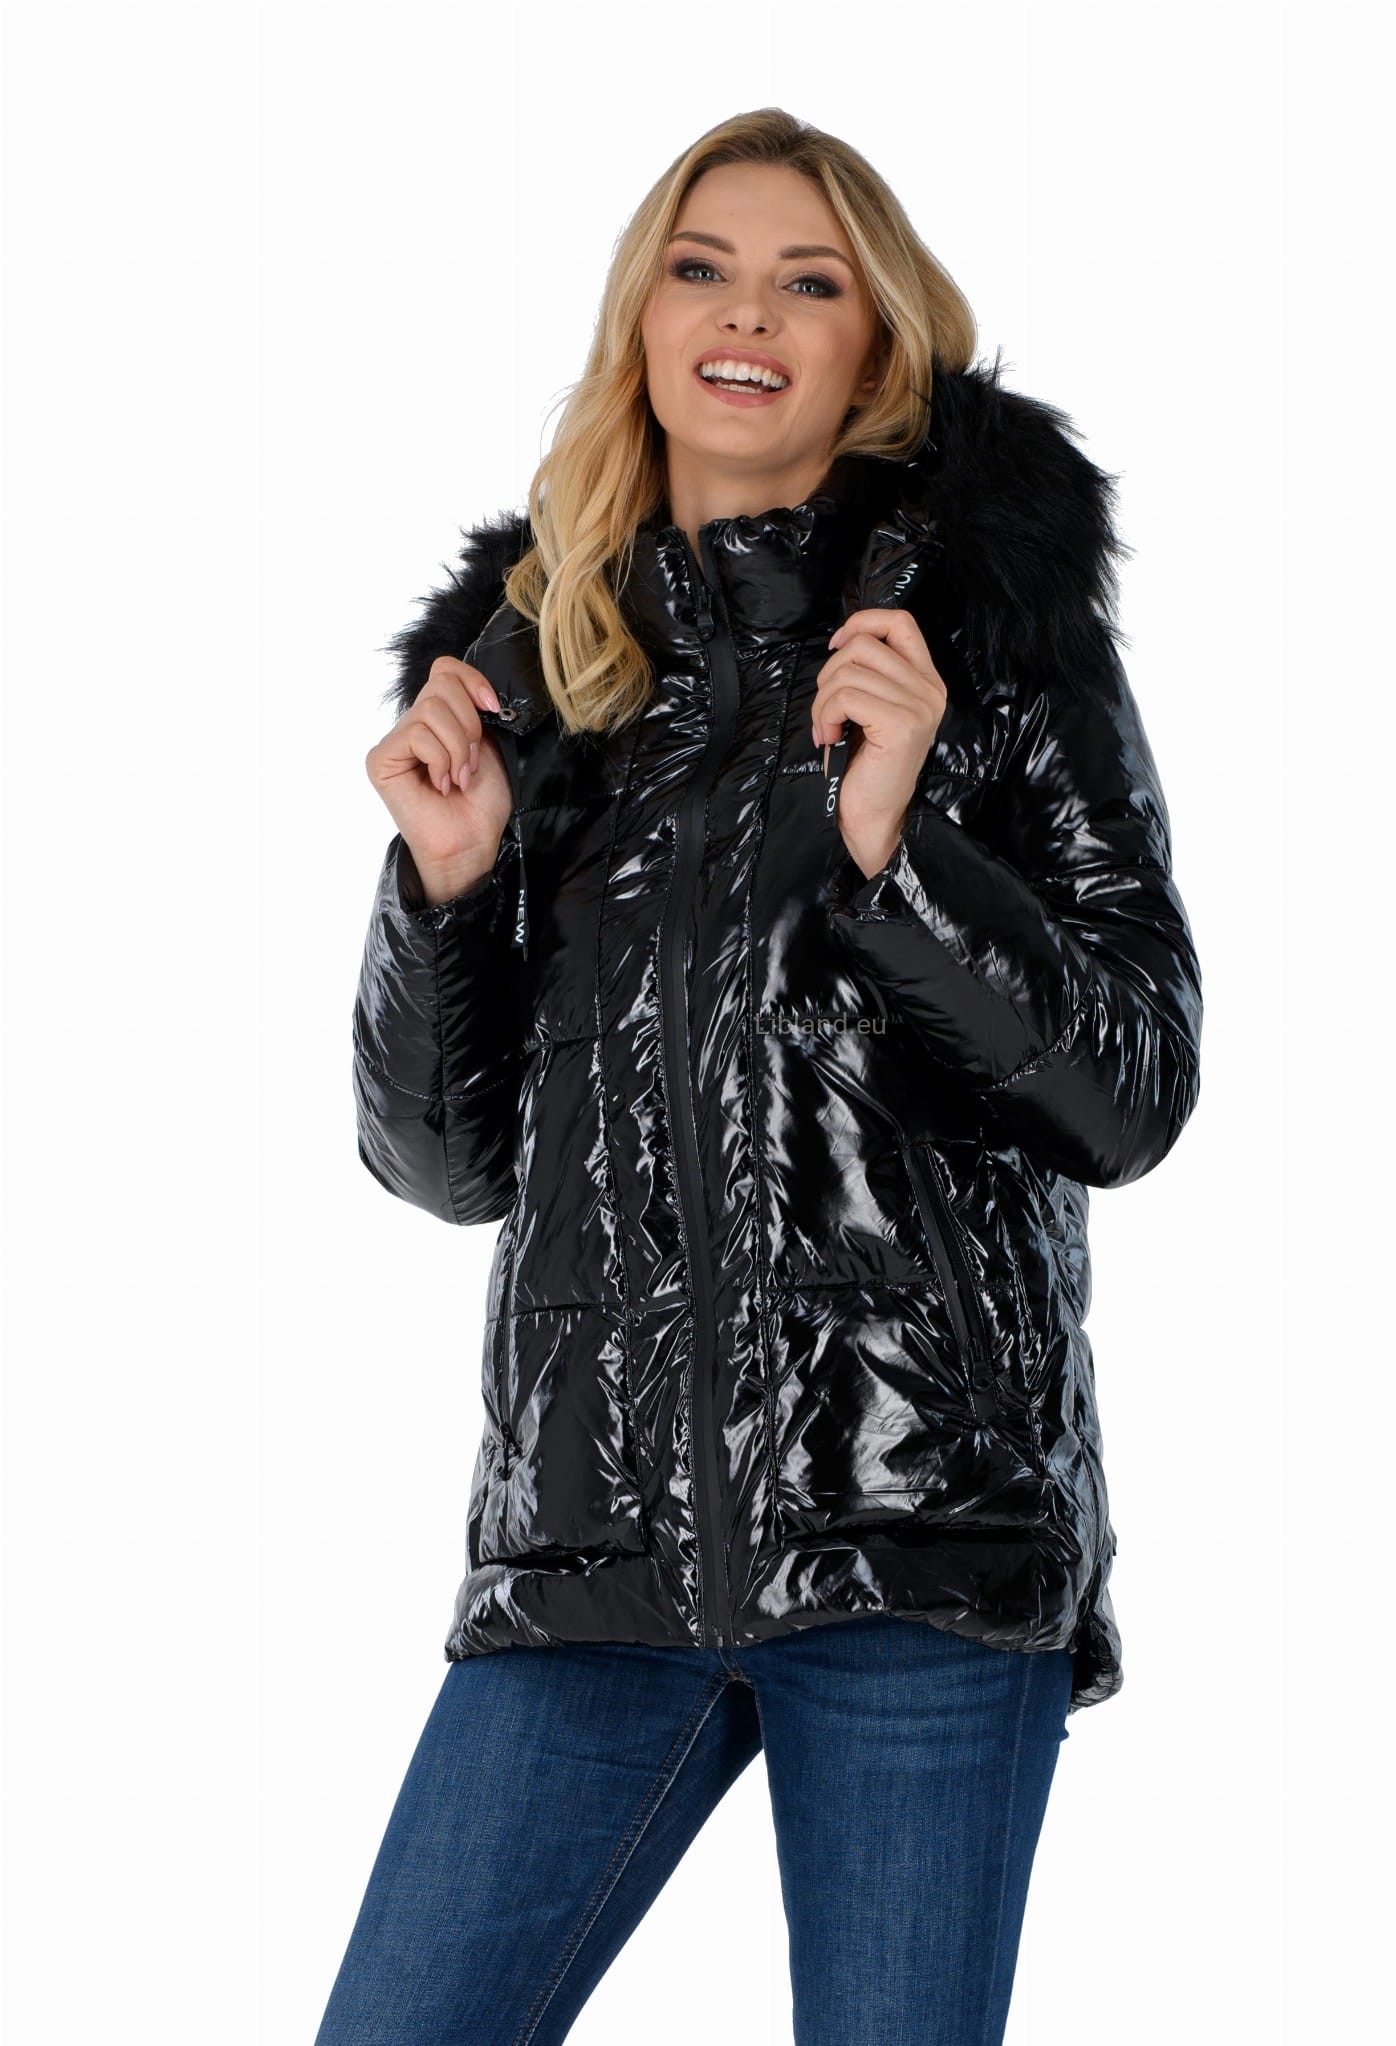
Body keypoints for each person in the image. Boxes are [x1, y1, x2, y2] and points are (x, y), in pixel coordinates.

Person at [319, 108, 1203, 2046]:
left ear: (873, 346)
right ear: (640, 322)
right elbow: (445, 1167)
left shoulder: (984, 652)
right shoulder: (547, 682)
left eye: (809, 283)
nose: (747, 315)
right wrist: (446, 884)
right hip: (593, 1549)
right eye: (701, 269)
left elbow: (1130, 1087)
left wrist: (900, 855)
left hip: (915, 1539)